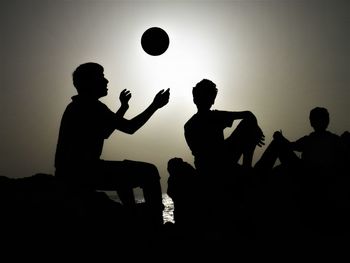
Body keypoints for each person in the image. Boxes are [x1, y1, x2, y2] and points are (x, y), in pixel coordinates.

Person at [54, 62, 170, 227]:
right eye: (101, 77)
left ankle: (132, 216)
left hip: (72, 173)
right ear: (89, 82)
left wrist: (123, 107)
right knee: (149, 171)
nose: (106, 81)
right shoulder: (91, 106)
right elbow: (130, 128)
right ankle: (155, 224)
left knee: (122, 173)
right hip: (83, 173)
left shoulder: (79, 105)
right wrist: (155, 106)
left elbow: (105, 132)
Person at [184, 79, 265, 231]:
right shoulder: (213, 117)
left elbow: (248, 115)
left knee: (248, 125)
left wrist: (254, 126)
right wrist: (255, 128)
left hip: (211, 165)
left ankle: (246, 171)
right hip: (217, 165)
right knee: (248, 125)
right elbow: (248, 115)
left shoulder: (191, 124)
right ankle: (247, 171)